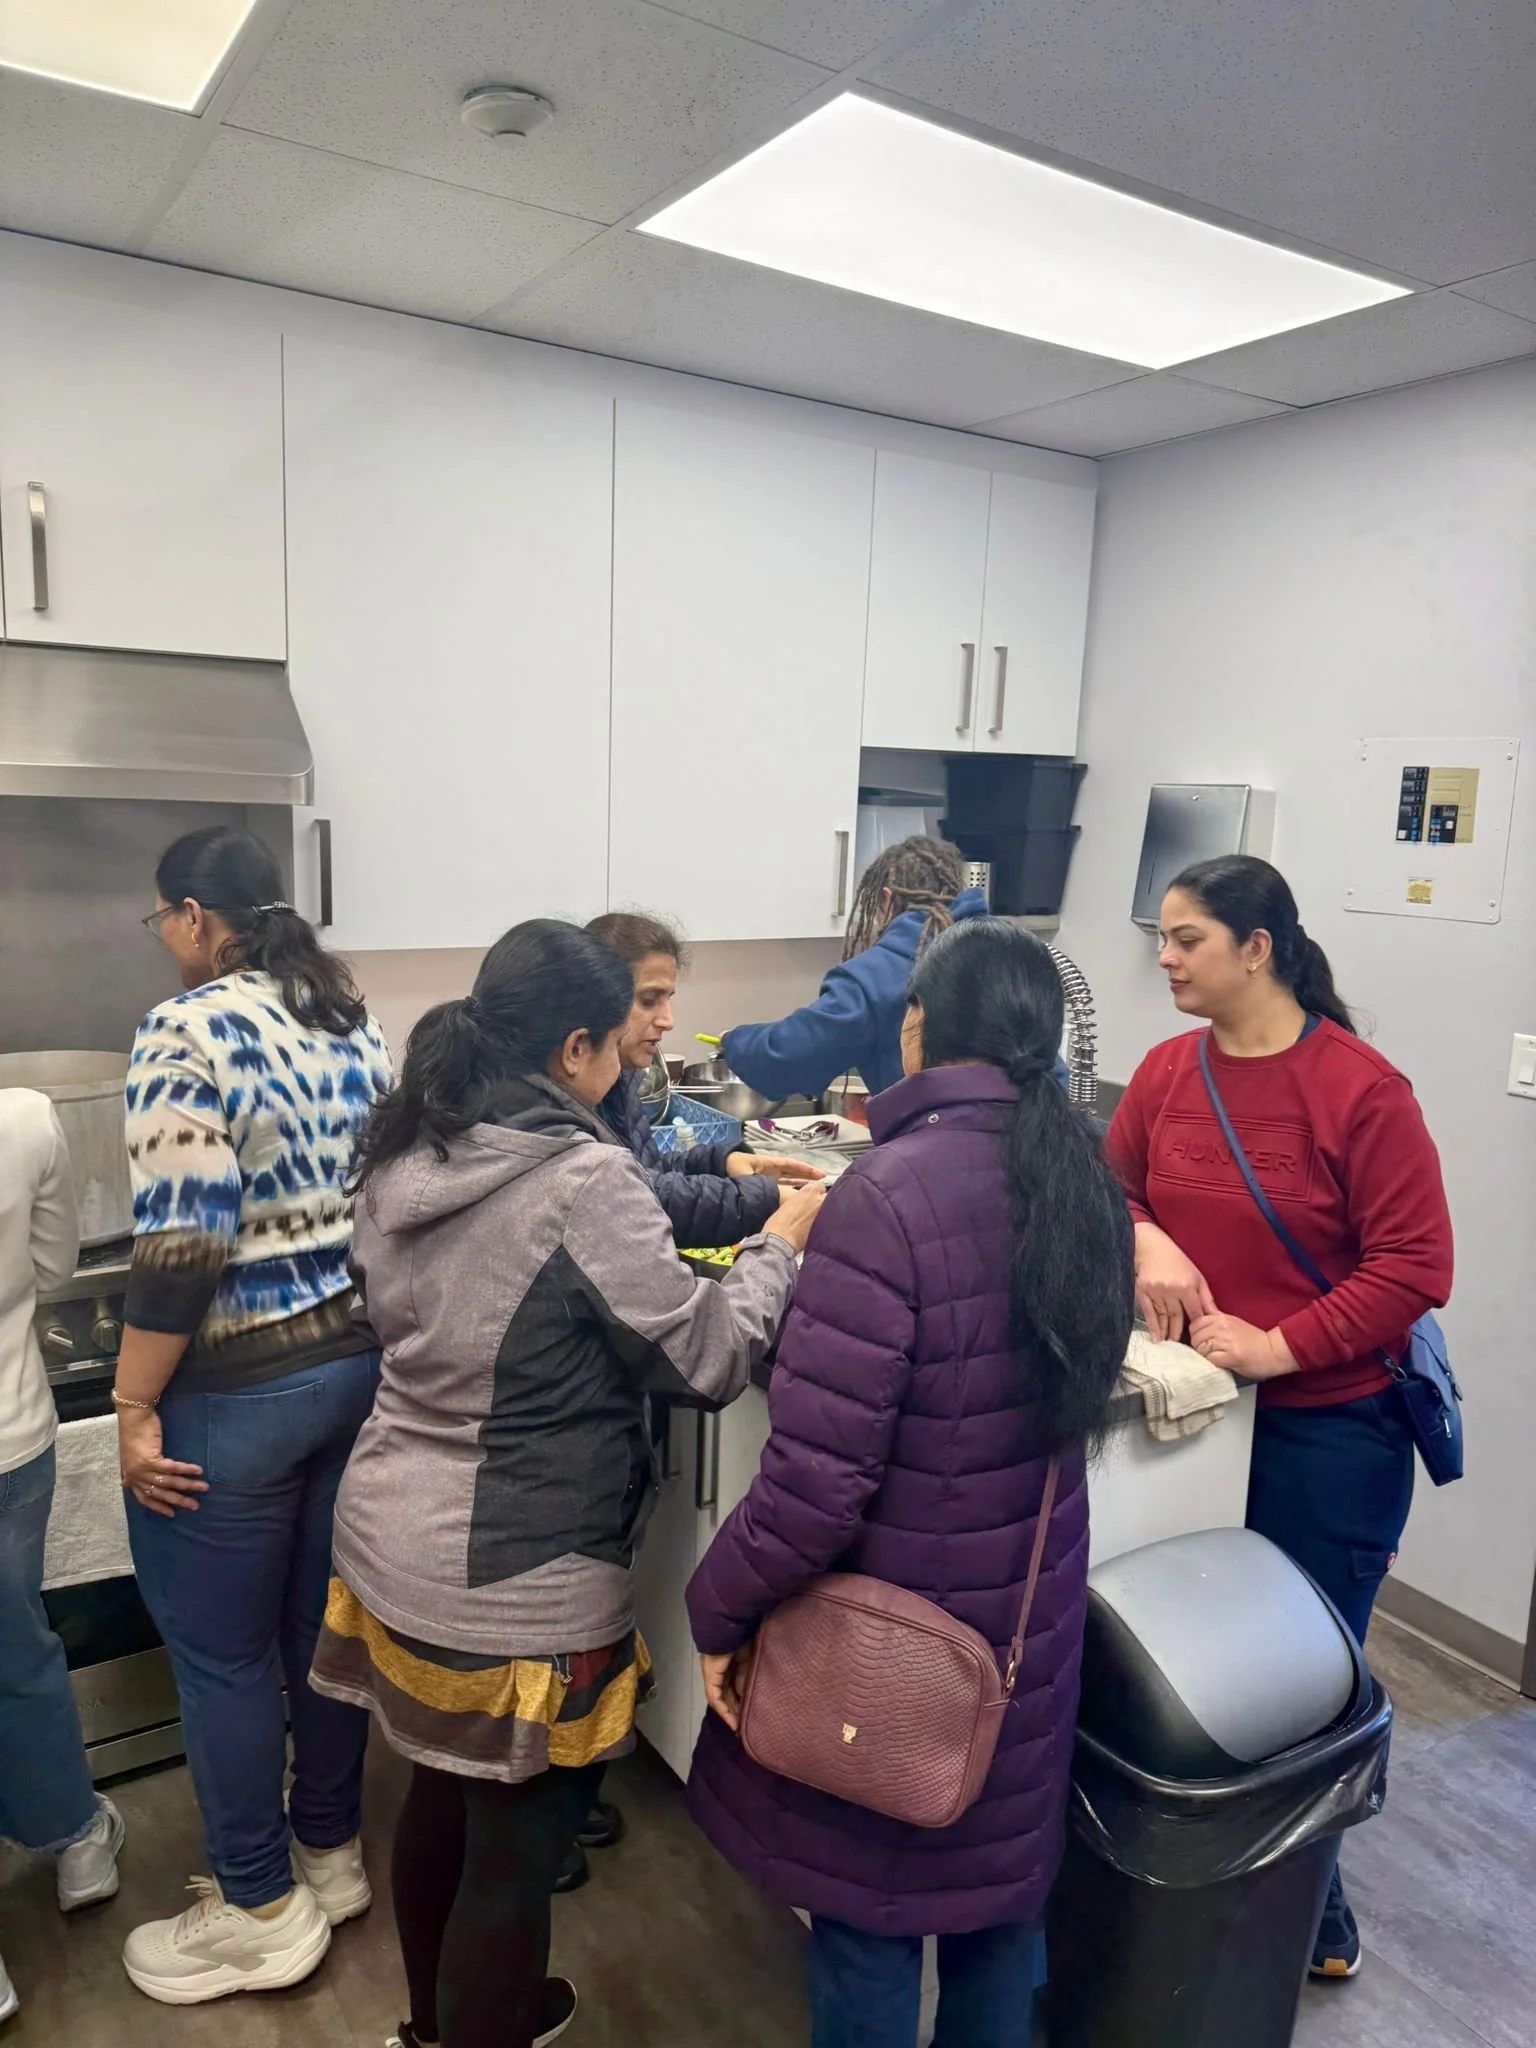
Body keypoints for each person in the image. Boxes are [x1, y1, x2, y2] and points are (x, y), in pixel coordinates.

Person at [309, 919, 824, 2048]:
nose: (638, 1060)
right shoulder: (580, 1178)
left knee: (440, 1797)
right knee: (516, 1857)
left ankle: (435, 2027)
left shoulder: (411, 1140)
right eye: (624, 1046)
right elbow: (702, 1354)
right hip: (517, 1577)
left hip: (391, 1541)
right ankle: (483, 2021)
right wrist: (781, 1242)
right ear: (575, 1048)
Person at [687, 918, 1134, 2048]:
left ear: (921, 1028)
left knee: (870, 1923)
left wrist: (715, 1606)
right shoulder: (1086, 1181)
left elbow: (813, 1486)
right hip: (1024, 1628)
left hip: (892, 1643)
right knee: (996, 1915)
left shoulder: (885, 1197)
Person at [1103, 854, 1453, 1983]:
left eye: (1187, 938)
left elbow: (1415, 1266)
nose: (1165, 956)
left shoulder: (1359, 1089)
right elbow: (1113, 1188)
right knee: (1200, 1677)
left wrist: (1276, 1345)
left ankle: (1310, 1912)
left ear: (1259, 948)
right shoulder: (1165, 1072)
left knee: (1299, 1682)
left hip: (1329, 1433)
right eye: (1164, 935)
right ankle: (1218, 1921)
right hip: (1200, 1431)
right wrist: (1149, 1236)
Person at [114, 826, 393, 2005]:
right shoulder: (351, 1016)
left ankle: (257, 1905)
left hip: (234, 1394)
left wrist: (131, 1401)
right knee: (316, 1634)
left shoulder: (185, 1028)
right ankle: (328, 1856)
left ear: (189, 917)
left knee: (222, 1656)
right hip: (355, 1373)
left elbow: (184, 1244)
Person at [541, 912, 822, 1895]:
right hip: (564, 1439)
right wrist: (774, 1222)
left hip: (581, 1428)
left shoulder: (601, 1087)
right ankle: (546, 1816)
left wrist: (730, 1163)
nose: (667, 1018)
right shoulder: (568, 1116)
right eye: (650, 998)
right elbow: (642, 1206)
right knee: (566, 1625)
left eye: (669, 996)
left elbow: (651, 1171)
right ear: (591, 1010)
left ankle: (566, 1791)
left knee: (586, 1617)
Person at [0, 1089, 125, 2025]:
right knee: (20, 1644)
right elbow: (49, 1265)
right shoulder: (27, 1119)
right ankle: (77, 1841)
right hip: (11, 1436)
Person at [721, 835, 1070, 1103]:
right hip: (1042, 1156)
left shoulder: (876, 976)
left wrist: (733, 1041)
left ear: (887, 900)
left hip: (940, 1160)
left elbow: (787, 1059)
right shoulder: (1009, 950)